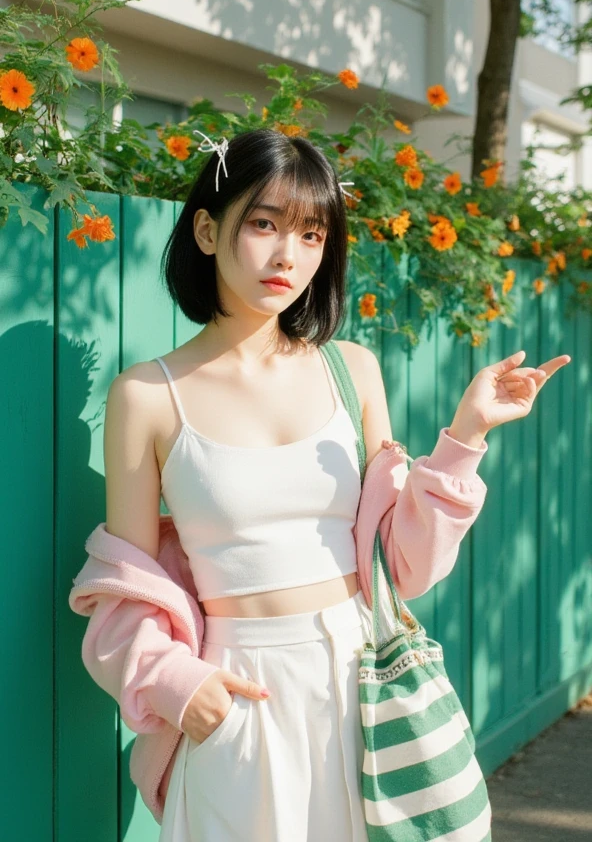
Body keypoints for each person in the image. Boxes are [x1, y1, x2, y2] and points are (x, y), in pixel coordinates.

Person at [101, 126, 565, 840]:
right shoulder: (148, 396)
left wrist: (467, 434)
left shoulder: (351, 369)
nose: (289, 255)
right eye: (263, 224)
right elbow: (124, 589)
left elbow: (402, 565)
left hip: (364, 679)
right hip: (238, 692)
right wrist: (178, 685)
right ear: (205, 228)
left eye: (312, 235)